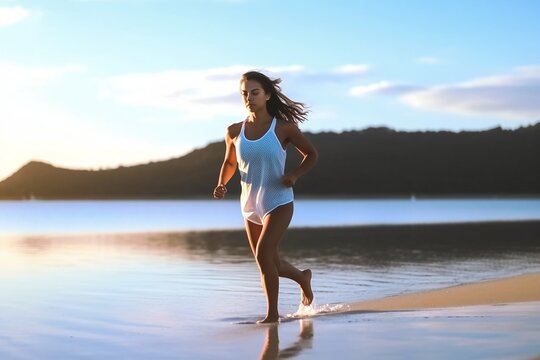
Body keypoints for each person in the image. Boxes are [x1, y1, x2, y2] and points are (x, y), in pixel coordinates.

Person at [213, 70, 318, 323]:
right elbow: (229, 163)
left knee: (264, 255)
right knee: (268, 261)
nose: (249, 97)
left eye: (255, 92)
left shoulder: (283, 128)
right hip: (250, 204)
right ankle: (302, 277)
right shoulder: (234, 131)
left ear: (267, 95)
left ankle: (272, 315)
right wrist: (221, 184)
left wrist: (293, 176)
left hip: (279, 201)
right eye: (244, 94)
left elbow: (311, 154)